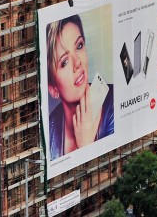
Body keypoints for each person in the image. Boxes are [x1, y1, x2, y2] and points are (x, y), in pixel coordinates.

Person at [46, 14, 115, 160]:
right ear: (53, 88)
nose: (77, 62)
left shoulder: (114, 104)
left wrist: (86, 146)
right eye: (64, 62)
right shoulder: (49, 130)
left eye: (79, 46)